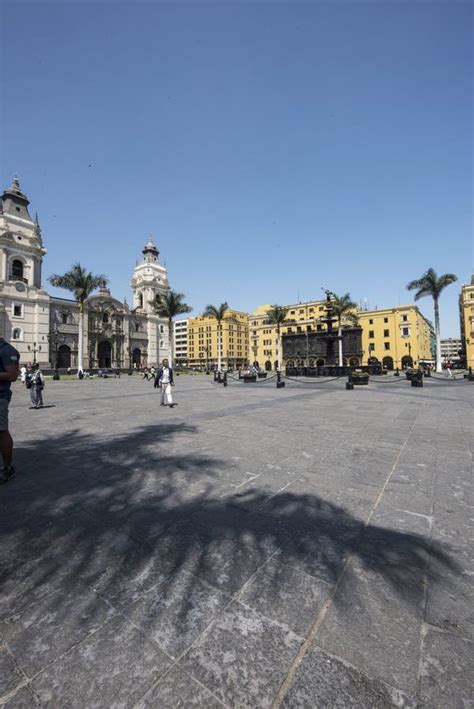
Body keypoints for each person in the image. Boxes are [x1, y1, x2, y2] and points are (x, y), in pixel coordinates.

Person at [0, 337, 20, 484]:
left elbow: (13, 376)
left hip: (0, 396)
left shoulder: (7, 350)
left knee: (1, 431)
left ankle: (7, 468)